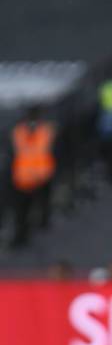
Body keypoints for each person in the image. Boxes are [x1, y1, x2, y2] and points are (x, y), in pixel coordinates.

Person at [9, 105, 57, 247]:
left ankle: (34, 232)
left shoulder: (40, 131)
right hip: (26, 178)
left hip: (37, 177)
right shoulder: (29, 131)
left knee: (34, 211)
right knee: (23, 212)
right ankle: (23, 236)